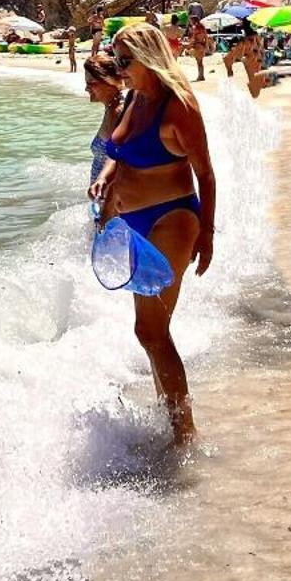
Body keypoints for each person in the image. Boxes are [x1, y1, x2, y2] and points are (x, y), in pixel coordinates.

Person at [89, 22, 218, 444]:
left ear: (148, 57)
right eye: (116, 58)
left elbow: (206, 174)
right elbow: (119, 153)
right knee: (150, 330)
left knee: (151, 330)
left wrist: (208, 236)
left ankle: (185, 433)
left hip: (173, 219)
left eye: (125, 60)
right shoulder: (136, 99)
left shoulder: (178, 106)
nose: (119, 67)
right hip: (136, 224)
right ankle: (172, 416)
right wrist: (106, 178)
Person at [82, 55, 126, 186]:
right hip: (102, 197)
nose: (86, 88)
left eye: (91, 84)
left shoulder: (120, 112)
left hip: (111, 197)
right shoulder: (110, 108)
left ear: (110, 82)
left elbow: (120, 159)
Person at [186, 15, 210, 82]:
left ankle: (200, 76)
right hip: (202, 44)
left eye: (190, 20)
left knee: (198, 62)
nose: (190, 22)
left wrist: (189, 45)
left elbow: (193, 38)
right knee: (201, 62)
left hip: (197, 45)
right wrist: (206, 46)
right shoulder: (202, 27)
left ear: (193, 20)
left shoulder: (194, 28)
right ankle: (201, 75)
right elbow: (206, 36)